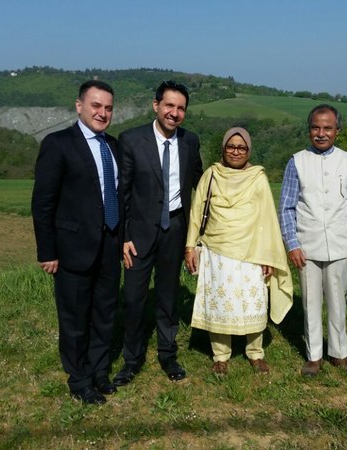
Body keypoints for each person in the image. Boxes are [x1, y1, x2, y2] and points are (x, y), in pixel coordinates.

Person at [31, 80, 122, 404]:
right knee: (74, 319)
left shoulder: (113, 146)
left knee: (104, 315)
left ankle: (99, 372)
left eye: (108, 108)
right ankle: (79, 379)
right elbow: (43, 202)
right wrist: (47, 251)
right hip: (72, 249)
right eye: (96, 105)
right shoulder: (58, 144)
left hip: (109, 245)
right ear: (79, 106)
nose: (102, 113)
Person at [184, 127, 293, 375]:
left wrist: (269, 256)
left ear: (248, 151)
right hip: (216, 250)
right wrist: (190, 246)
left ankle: (255, 353)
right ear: (223, 149)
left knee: (253, 303)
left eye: (241, 147)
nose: (236, 151)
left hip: (251, 251)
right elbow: (196, 212)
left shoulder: (257, 178)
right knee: (220, 303)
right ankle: (220, 356)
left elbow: (267, 219)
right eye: (231, 146)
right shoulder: (211, 175)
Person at [114, 81, 203, 384]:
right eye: (169, 106)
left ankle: (168, 354)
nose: (174, 113)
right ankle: (132, 359)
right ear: (156, 105)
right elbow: (123, 193)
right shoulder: (131, 140)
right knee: (134, 298)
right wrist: (124, 236)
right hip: (138, 233)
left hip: (175, 229)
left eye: (181, 108)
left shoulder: (190, 141)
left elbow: (200, 183)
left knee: (168, 296)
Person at [279, 104, 347, 378]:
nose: (321, 133)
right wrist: (292, 244)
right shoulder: (297, 161)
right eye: (316, 128)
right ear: (309, 130)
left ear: (337, 131)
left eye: (327, 128)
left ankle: (340, 353)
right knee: (310, 302)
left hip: (340, 243)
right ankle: (314, 355)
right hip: (307, 244)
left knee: (338, 299)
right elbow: (286, 207)